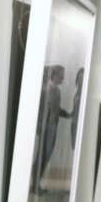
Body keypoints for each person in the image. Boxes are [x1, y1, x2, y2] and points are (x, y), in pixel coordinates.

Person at [33, 65, 71, 194]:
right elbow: (40, 110)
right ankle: (35, 185)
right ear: (54, 75)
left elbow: (56, 110)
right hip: (45, 127)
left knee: (46, 155)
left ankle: (36, 184)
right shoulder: (45, 90)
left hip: (52, 128)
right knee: (41, 156)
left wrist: (68, 114)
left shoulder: (57, 91)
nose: (63, 79)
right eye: (61, 76)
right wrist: (40, 127)